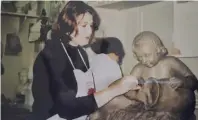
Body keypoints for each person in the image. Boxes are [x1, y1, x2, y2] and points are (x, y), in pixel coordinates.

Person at [31, 1, 140, 120]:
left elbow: (88, 94)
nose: (90, 31)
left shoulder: (81, 53)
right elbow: (67, 108)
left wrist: (123, 87)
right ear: (68, 26)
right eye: (84, 25)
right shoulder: (52, 56)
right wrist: (116, 89)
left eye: (91, 25)